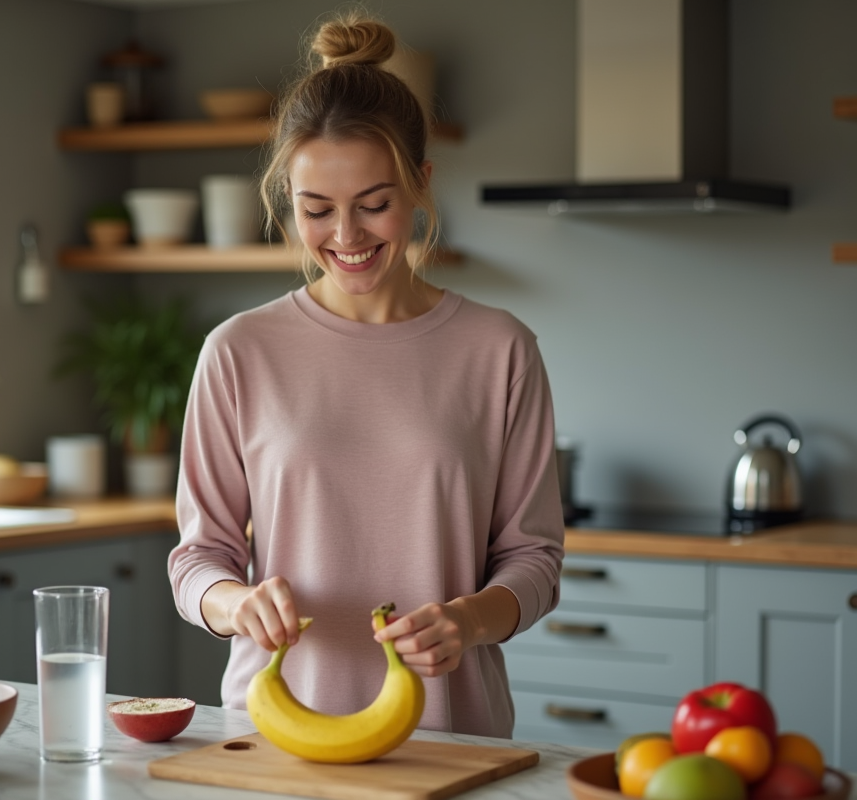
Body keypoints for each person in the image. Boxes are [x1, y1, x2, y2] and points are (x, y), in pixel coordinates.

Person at [168, 11, 564, 739]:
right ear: (288, 197)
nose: (345, 238)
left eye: (374, 205)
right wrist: (235, 604)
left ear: (420, 183)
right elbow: (199, 557)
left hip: (454, 736)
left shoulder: (500, 349)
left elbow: (534, 559)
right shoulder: (238, 351)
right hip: (275, 733)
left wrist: (469, 621)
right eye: (316, 210)